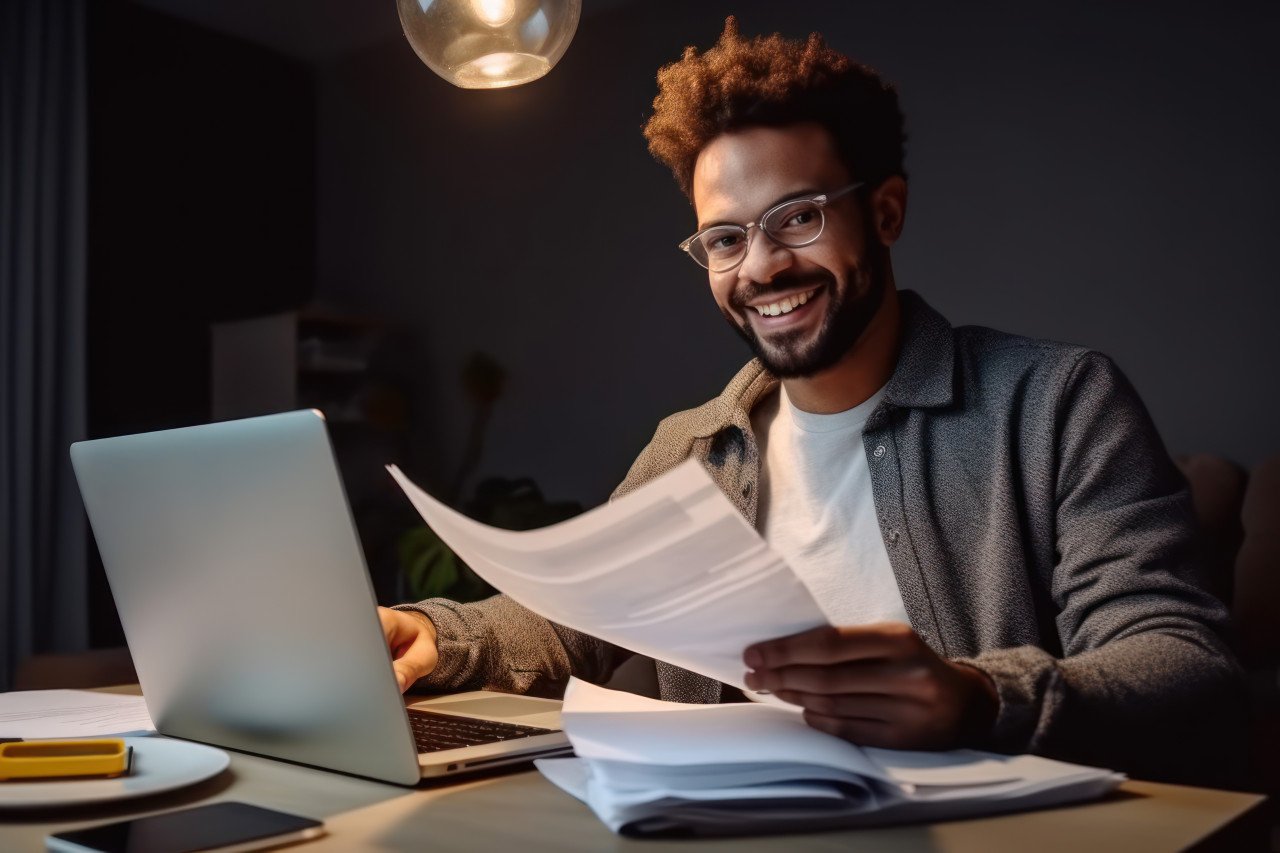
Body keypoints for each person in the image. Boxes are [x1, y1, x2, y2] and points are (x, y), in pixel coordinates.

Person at [378, 18, 1243, 785]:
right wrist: (435, 633)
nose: (760, 266)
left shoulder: (1057, 404)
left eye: (797, 217)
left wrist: (978, 695)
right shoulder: (691, 448)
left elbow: (1183, 663)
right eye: (725, 238)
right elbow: (573, 623)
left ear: (887, 212)